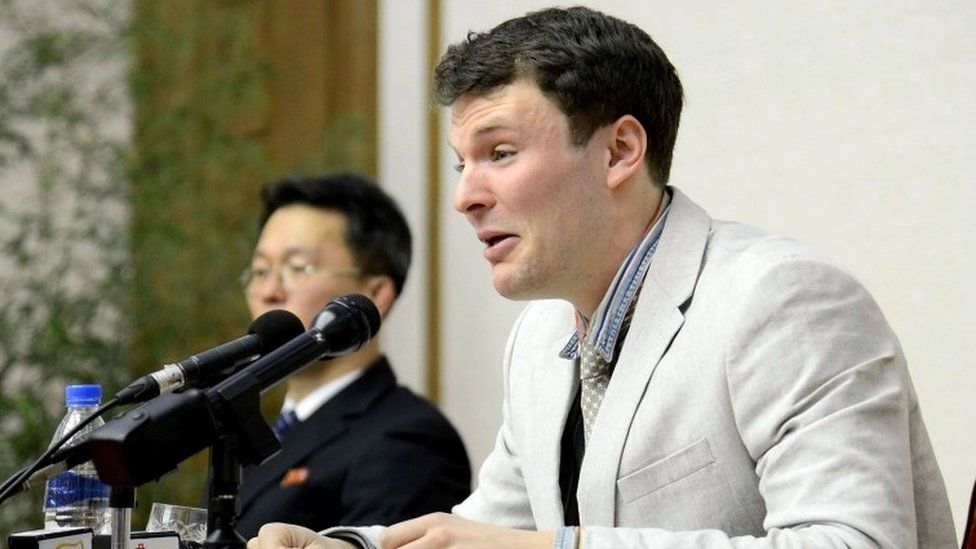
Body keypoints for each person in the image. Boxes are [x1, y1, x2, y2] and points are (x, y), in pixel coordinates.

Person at [247, 7, 956, 548]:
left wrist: (559, 546)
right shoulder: (540, 336)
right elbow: (483, 532)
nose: (465, 195)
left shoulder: (781, 300)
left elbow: (853, 542)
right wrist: (347, 544)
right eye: (462, 164)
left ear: (619, 150)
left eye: (499, 151)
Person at [234, 173, 471, 537]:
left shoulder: (408, 439)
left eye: (298, 268)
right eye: (261, 270)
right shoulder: (251, 435)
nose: (268, 291)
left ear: (374, 294)